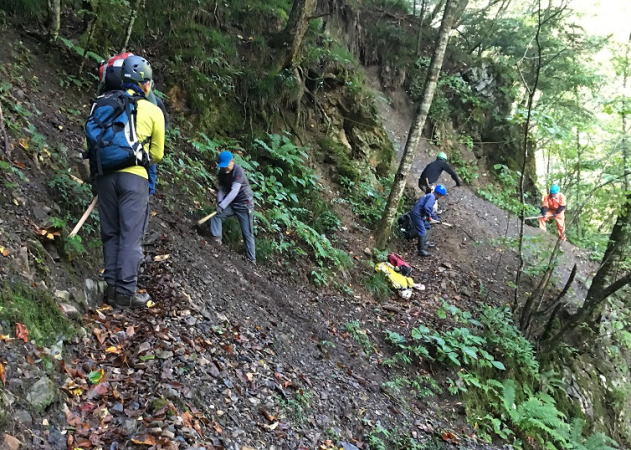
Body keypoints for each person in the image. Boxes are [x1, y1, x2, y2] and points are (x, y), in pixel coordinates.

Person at [96, 55, 165, 307]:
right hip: (134, 178)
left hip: (104, 177)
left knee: (111, 232)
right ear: (144, 84)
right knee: (130, 235)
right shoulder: (152, 110)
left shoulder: (104, 103)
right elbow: (157, 154)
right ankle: (125, 294)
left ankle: (111, 287)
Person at [209, 151, 256, 263]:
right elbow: (221, 189)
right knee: (216, 216)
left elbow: (234, 191)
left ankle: (251, 260)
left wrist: (223, 204)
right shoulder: (221, 172)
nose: (225, 168)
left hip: (244, 205)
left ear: (232, 161)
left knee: (247, 233)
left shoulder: (238, 171)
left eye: (226, 165)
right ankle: (216, 241)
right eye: (223, 165)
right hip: (232, 203)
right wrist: (220, 203)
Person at [411, 184, 447, 257]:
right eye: (441, 196)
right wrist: (429, 217)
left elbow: (430, 211)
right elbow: (427, 208)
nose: (440, 197)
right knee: (422, 231)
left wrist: (437, 220)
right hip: (417, 215)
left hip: (419, 215)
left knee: (427, 226)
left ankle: (425, 242)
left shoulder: (430, 196)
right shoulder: (432, 197)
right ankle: (421, 250)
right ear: (439, 194)